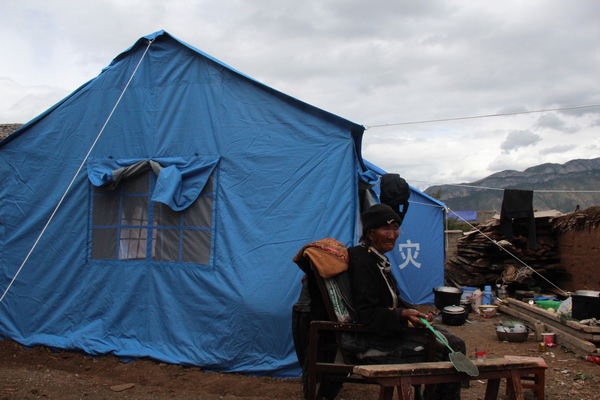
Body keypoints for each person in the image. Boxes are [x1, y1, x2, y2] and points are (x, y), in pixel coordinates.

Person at [346, 203, 465, 399]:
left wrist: (414, 313)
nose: (392, 235)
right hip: (373, 339)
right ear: (370, 233)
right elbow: (366, 312)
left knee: (452, 342)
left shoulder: (376, 259)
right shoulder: (362, 262)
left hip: (385, 330)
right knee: (451, 346)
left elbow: (393, 299)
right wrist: (402, 314)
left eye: (395, 228)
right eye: (386, 229)